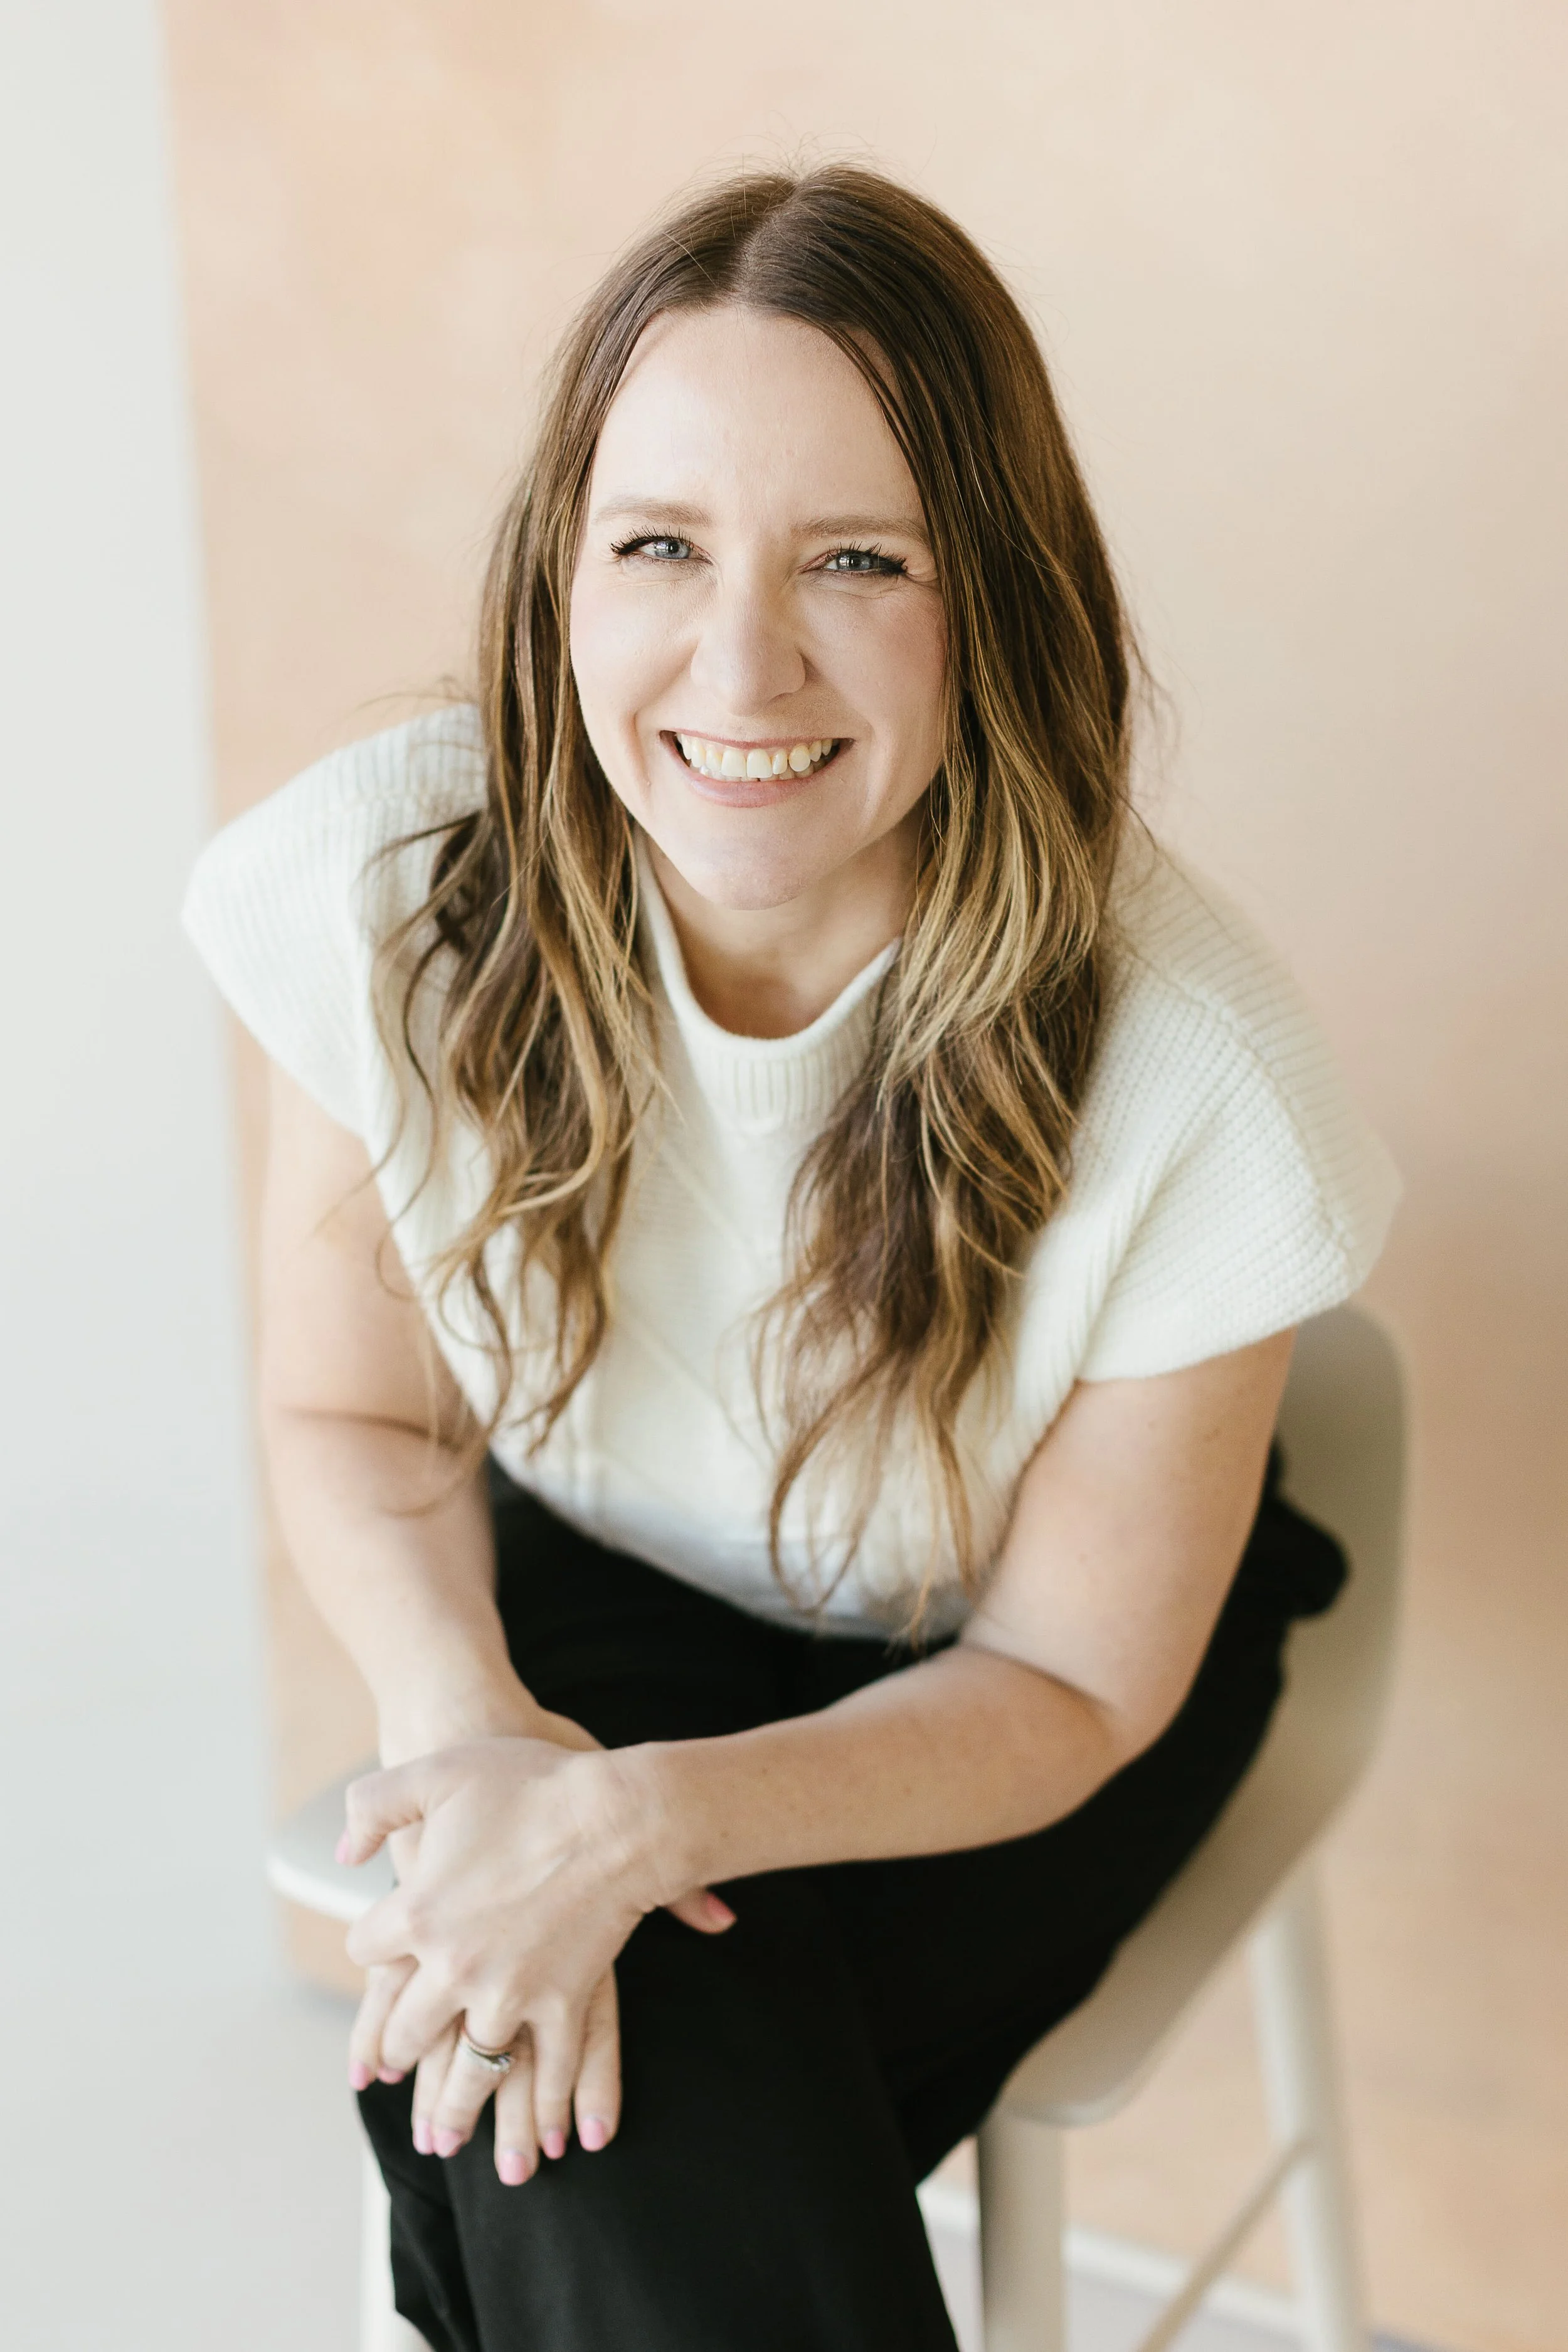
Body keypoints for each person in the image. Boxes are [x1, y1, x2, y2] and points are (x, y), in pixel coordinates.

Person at [184, 165, 1398, 2352]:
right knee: (587, 2068)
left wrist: (633, 1832)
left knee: (575, 2082)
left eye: (858, 560)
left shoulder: (1201, 1077)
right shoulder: (385, 890)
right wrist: (482, 1749)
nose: (739, 663)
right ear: (564, 568)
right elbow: (351, 1408)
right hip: (597, 1611)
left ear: (995, 599)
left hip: (1001, 1702)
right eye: (660, 545)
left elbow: (1071, 1682)